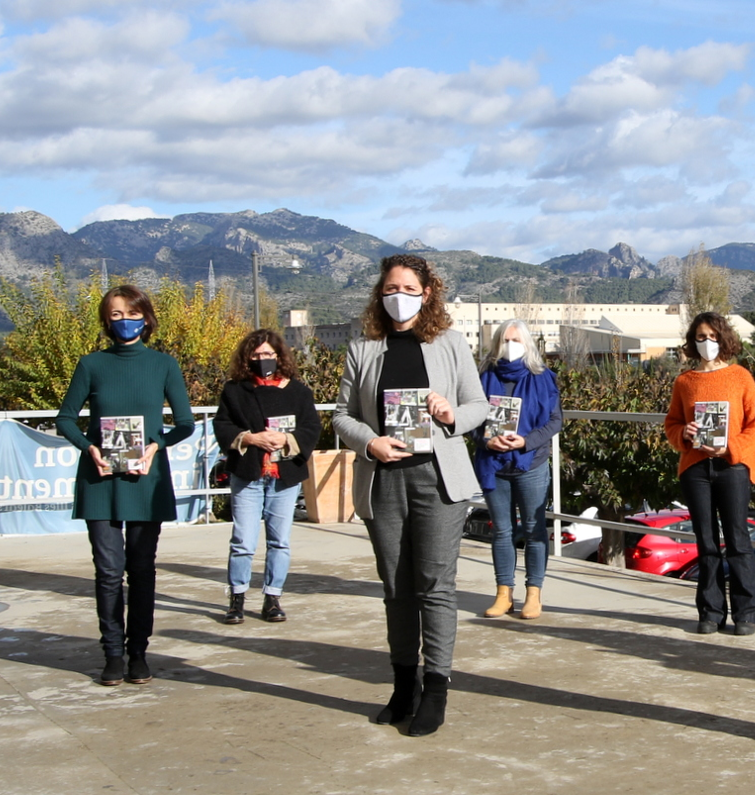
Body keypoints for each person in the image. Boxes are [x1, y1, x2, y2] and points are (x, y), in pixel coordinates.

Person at [332, 254, 488, 736]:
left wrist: (449, 415)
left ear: (427, 292)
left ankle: (436, 688)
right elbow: (341, 415)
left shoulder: (450, 343)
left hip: (438, 480)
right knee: (395, 588)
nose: (396, 296)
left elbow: (479, 405)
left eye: (407, 287)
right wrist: (369, 441)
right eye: (388, 289)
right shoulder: (363, 348)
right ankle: (404, 686)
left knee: (435, 585)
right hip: (385, 479)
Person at [55, 285, 195, 687]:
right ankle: (112, 653)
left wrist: (157, 445)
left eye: (130, 313)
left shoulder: (164, 365)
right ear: (106, 321)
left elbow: (185, 423)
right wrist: (89, 448)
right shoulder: (91, 364)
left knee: (142, 569)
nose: (123, 321)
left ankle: (139, 653)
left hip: (146, 480)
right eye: (114, 315)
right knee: (107, 571)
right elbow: (66, 419)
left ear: (146, 318)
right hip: (100, 481)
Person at [666, 311, 755, 635]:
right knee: (705, 542)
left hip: (733, 466)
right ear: (692, 342)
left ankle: (747, 612)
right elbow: (671, 425)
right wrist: (685, 432)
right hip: (695, 468)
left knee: (738, 539)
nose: (707, 343)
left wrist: (731, 447)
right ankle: (710, 612)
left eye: (712, 336)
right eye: (700, 337)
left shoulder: (741, 377)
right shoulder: (684, 381)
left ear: (723, 339)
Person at [213, 329, 321, 625]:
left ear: (279, 356)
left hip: (283, 477)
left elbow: (311, 427)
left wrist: (286, 438)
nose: (263, 359)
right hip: (248, 475)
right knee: (243, 541)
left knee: (279, 541)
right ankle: (236, 599)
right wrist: (249, 438)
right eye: (257, 354)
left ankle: (273, 598)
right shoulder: (235, 389)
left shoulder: (298, 392)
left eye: (268, 354)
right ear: (248, 357)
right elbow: (222, 424)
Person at [472, 319, 561, 621]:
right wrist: (485, 440)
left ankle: (533, 593)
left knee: (535, 531)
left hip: (531, 463)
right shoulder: (482, 376)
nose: (511, 345)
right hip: (493, 465)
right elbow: (470, 420)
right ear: (497, 343)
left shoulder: (543, 377)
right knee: (502, 532)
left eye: (517, 340)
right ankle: (503, 593)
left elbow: (554, 421)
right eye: (506, 340)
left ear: (528, 344)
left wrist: (525, 441)